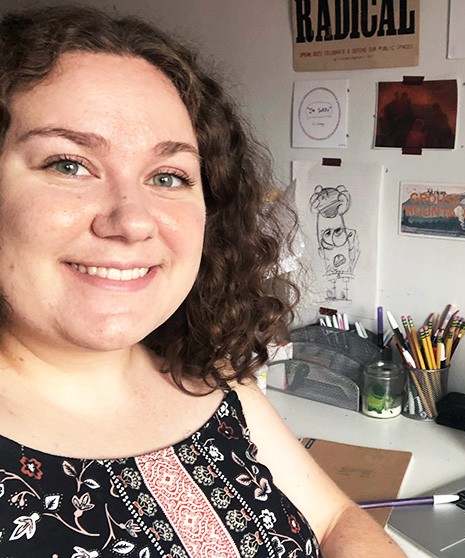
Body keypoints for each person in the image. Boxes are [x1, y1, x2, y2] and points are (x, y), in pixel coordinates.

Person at [0, 5, 406, 557]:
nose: (133, 220)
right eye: (68, 164)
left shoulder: (207, 372)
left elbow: (335, 519)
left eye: (167, 176)